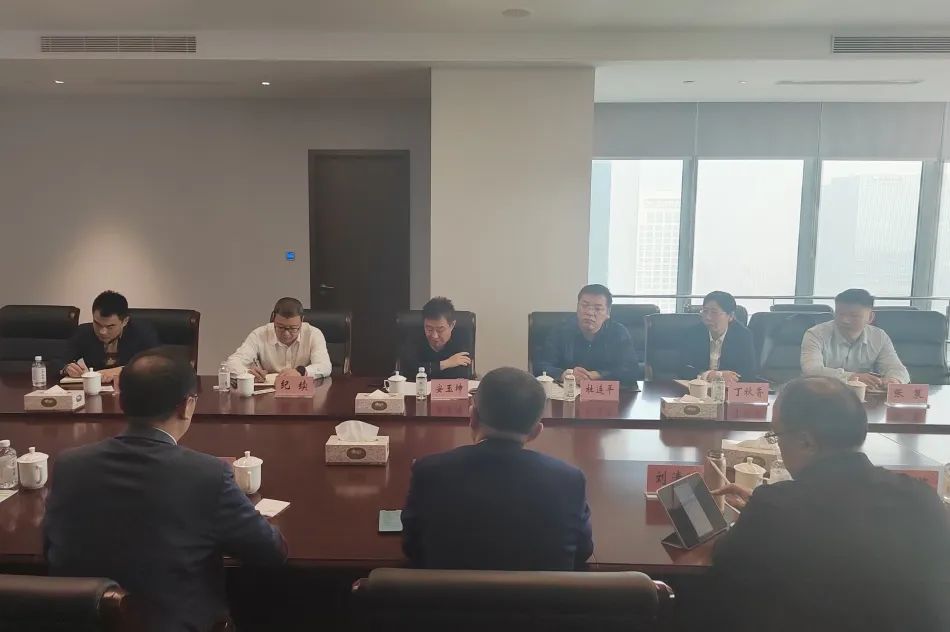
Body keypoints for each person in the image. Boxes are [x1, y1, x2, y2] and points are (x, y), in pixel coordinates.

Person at [44, 349, 287, 632]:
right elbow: (270, 551)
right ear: (187, 406)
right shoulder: (208, 474)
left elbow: (51, 551)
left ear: (121, 401)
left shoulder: (69, 465)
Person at [710, 377, 949, 632]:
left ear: (806, 442)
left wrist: (756, 519)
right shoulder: (922, 497)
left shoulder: (775, 508)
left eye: (775, 436)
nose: (778, 445)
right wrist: (763, 515)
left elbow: (724, 560)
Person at [401, 367, 593, 570]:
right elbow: (583, 552)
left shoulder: (429, 472)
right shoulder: (569, 480)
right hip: (542, 592)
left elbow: (412, 548)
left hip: (445, 591)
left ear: (472, 417)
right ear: (536, 432)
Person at [534, 284, 640, 385]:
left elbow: (631, 370)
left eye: (597, 308)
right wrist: (565, 374)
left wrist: (598, 374)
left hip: (605, 393)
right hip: (567, 392)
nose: (589, 312)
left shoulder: (618, 332)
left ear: (608, 313)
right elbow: (541, 366)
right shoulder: (561, 330)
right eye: (584, 306)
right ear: (577, 307)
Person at [801, 288, 909, 386]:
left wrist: (894, 380)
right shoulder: (816, 334)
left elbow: (897, 368)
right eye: (840, 314)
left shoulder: (879, 337)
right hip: (823, 392)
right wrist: (852, 377)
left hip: (866, 396)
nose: (844, 320)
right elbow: (811, 370)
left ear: (870, 317)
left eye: (854, 316)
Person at [59, 290, 159, 383]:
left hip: (131, 388)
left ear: (125, 321)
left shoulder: (142, 331)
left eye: (110, 326)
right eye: (97, 324)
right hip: (97, 389)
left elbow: (157, 363)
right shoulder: (84, 332)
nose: (102, 332)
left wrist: (121, 370)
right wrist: (66, 368)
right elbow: (57, 362)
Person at [226, 297, 331, 381]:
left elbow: (325, 366)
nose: (286, 334)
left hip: (302, 391)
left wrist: (300, 372)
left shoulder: (313, 334)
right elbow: (231, 363)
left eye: (293, 328)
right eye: (280, 327)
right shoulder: (259, 334)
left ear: (302, 321)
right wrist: (247, 374)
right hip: (269, 393)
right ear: (273, 318)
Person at [679, 291, 756, 381]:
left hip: (728, 388)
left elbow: (748, 374)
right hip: (698, 387)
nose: (708, 317)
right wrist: (711, 375)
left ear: (730, 316)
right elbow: (683, 369)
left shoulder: (743, 336)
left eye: (714, 313)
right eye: (705, 311)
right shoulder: (693, 334)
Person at [398, 297, 474, 379]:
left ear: (452, 325)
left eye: (440, 330)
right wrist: (445, 364)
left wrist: (429, 368)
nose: (434, 336)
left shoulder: (462, 338)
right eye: (429, 329)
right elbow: (409, 370)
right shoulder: (414, 336)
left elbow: (462, 374)